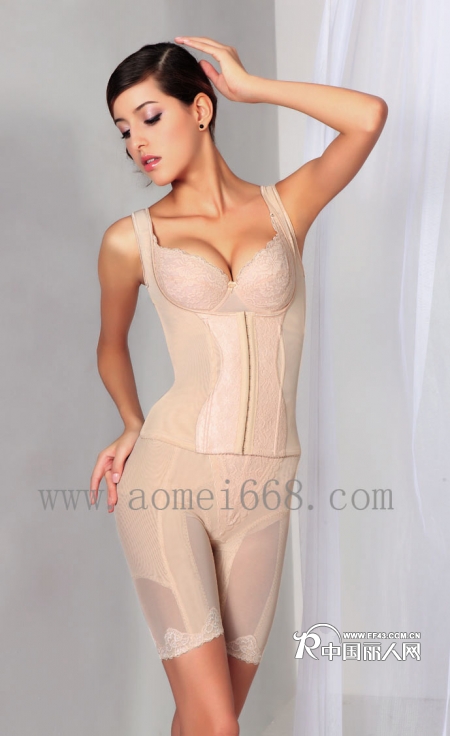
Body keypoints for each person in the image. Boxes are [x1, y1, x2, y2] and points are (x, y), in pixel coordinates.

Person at [90, 37, 387, 736]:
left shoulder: (287, 207)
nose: (136, 143)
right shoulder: (131, 239)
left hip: (264, 494)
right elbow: (110, 345)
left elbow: (368, 117)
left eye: (149, 118)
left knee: (202, 720)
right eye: (124, 130)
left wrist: (252, 87)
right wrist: (132, 422)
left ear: (200, 109)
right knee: (219, 725)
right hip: (169, 480)